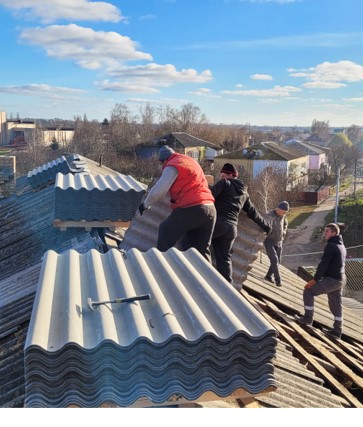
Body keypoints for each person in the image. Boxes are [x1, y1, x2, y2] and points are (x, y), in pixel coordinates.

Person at [138, 145, 216, 262]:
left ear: (163, 160)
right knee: (200, 251)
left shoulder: (173, 165)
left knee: (165, 230)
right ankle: (207, 278)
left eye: (161, 163)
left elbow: (159, 190)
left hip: (193, 207)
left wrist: (145, 204)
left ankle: (162, 267)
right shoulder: (190, 161)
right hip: (210, 209)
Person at [209, 163, 271, 286]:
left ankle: (199, 277)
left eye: (222, 175)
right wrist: (266, 226)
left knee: (196, 244)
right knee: (224, 260)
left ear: (230, 175)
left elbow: (209, 194)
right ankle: (227, 288)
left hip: (218, 224)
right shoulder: (244, 193)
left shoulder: (225, 183)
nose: (221, 178)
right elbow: (253, 212)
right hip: (231, 230)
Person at [295, 223, 347, 339]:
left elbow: (323, 265)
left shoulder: (331, 245)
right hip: (340, 279)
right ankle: (337, 332)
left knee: (308, 291)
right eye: (325, 231)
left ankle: (308, 319)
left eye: (327, 232)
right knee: (336, 305)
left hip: (332, 280)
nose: (325, 234)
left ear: (334, 233)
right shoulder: (342, 246)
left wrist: (314, 280)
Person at [263, 201, 289, 286]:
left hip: (279, 241)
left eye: (286, 212)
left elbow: (285, 224)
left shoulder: (283, 216)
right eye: (284, 211)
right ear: (279, 209)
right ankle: (278, 280)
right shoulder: (270, 215)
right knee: (274, 260)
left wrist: (284, 231)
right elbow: (264, 225)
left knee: (278, 261)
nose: (285, 213)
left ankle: (268, 276)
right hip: (269, 240)